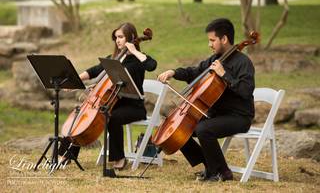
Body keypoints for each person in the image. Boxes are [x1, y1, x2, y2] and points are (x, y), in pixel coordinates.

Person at [157, 18, 255, 182]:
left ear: (224, 39)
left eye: (212, 40)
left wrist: (225, 75)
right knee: (181, 128)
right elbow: (194, 72)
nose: (209, 44)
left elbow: (246, 91)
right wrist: (173, 72)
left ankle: (223, 171)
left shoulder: (243, 63)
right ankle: (210, 167)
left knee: (203, 129)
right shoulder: (214, 59)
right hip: (216, 114)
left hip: (239, 116)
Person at [59, 22, 157, 170]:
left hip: (133, 107)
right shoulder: (114, 59)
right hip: (112, 103)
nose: (117, 40)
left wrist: (135, 51)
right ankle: (66, 154)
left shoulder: (139, 59)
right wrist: (74, 80)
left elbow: (152, 65)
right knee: (81, 115)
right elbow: (94, 70)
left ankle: (119, 158)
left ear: (131, 38)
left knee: (112, 117)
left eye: (121, 37)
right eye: (116, 37)